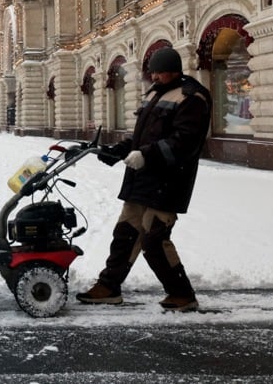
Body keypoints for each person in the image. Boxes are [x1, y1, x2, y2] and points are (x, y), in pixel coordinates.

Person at [76, 46, 212, 312]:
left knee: (154, 239)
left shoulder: (192, 98)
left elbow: (183, 143)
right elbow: (142, 137)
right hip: (142, 180)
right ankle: (109, 286)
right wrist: (118, 151)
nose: (154, 77)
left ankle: (182, 294)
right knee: (126, 233)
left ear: (173, 72)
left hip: (169, 182)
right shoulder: (155, 94)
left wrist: (146, 155)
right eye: (153, 73)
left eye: (159, 73)